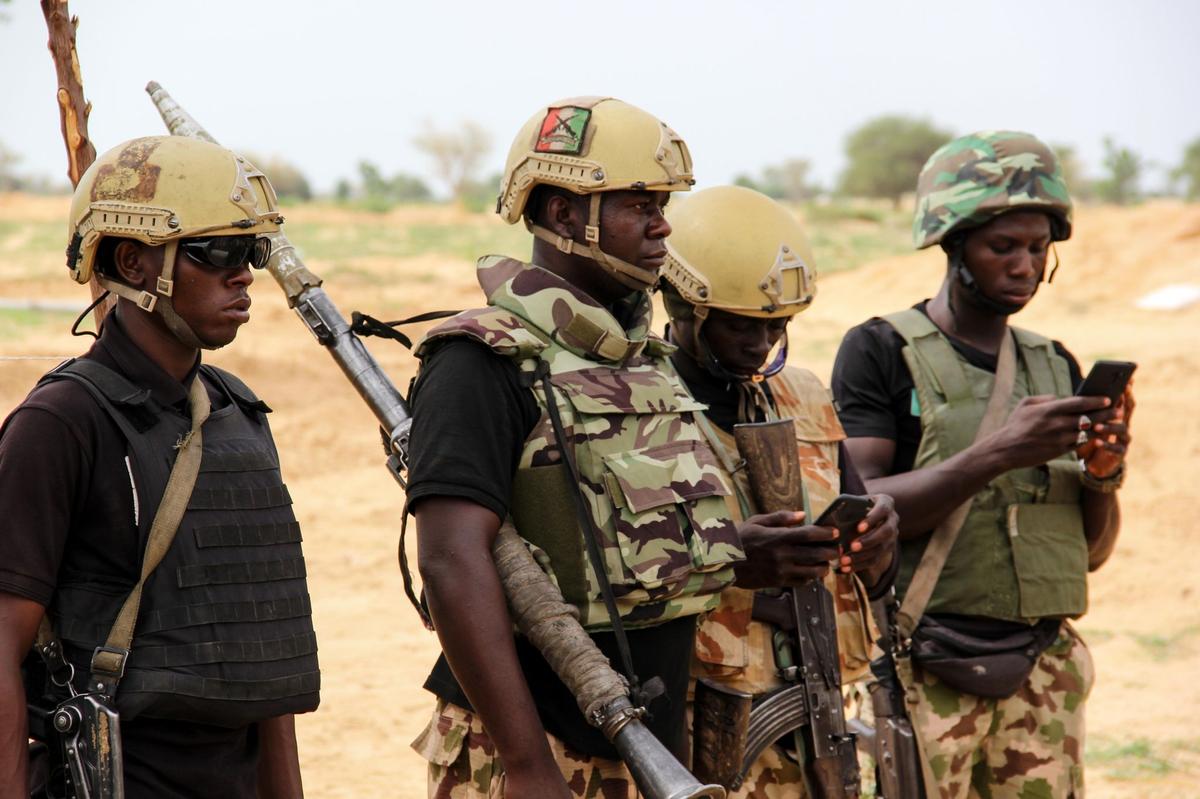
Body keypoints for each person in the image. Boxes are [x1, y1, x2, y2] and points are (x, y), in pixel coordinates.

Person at [404, 96, 755, 798]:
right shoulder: (484, 359)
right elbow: (451, 560)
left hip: (650, 746)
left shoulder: (643, 360)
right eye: (637, 204)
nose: (662, 226)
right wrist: (528, 763)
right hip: (536, 748)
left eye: (663, 204)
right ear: (565, 215)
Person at [0, 136, 320, 799]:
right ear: (134, 263)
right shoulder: (61, 424)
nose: (245, 275)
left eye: (252, 252)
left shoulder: (237, 414)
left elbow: (265, 656)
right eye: (221, 253)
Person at [831, 131, 1133, 798]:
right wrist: (998, 451)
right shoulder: (879, 349)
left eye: (1037, 247)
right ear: (953, 243)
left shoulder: (1055, 361)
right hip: (929, 666)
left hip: (1044, 673)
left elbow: (1088, 553)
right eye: (1003, 246)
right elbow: (864, 514)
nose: (1025, 265)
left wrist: (1105, 473)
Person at [659, 185, 899, 797]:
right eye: (742, 325)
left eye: (778, 326)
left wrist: (877, 543)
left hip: (814, 704)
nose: (762, 344)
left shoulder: (805, 395)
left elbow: (859, 547)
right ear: (684, 307)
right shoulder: (636, 405)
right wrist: (731, 558)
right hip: (695, 716)